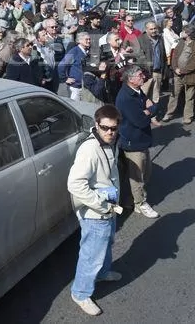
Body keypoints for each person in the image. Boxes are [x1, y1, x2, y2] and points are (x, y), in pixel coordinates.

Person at [67, 104, 124, 316]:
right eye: (105, 128)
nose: (110, 132)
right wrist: (100, 204)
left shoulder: (112, 142)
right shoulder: (89, 150)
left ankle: (102, 273)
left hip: (108, 208)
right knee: (91, 254)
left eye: (114, 128)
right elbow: (75, 184)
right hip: (95, 212)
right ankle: (80, 293)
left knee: (106, 244)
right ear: (96, 125)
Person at [115, 65, 161, 219]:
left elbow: (151, 105)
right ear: (131, 79)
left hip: (142, 140)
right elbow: (141, 121)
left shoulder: (136, 91)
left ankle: (131, 199)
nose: (143, 77)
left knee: (146, 172)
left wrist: (149, 109)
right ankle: (140, 204)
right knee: (137, 176)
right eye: (140, 75)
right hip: (132, 143)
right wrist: (150, 110)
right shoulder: (126, 98)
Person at [162, 24, 195, 125]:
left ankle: (187, 116)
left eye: (183, 31)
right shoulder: (181, 42)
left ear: (188, 33)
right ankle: (169, 113)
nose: (181, 33)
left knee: (189, 97)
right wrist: (175, 68)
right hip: (177, 74)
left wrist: (183, 71)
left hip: (190, 76)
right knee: (174, 95)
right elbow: (174, 56)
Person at [58, 32, 91, 100]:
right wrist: (65, 78)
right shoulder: (74, 51)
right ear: (79, 41)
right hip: (76, 88)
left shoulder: (87, 51)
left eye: (89, 39)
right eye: (86, 39)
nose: (89, 41)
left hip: (85, 86)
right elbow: (62, 65)